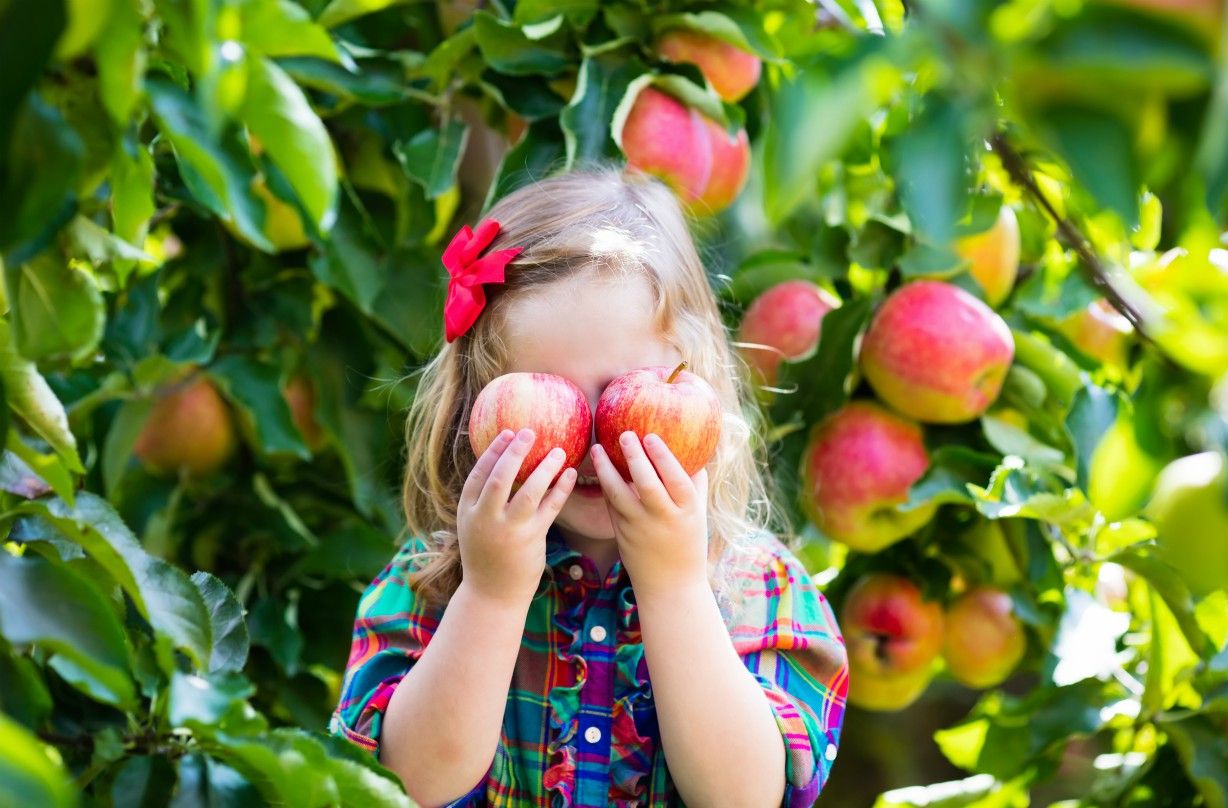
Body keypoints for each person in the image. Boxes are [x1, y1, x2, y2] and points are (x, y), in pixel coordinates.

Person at [330, 168, 848, 807]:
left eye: (626, 392)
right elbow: (406, 788)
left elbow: (744, 799)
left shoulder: (755, 587)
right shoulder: (434, 583)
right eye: (554, 398)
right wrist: (490, 596)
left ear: (694, 383)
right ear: (475, 408)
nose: (596, 441)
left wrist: (675, 588)